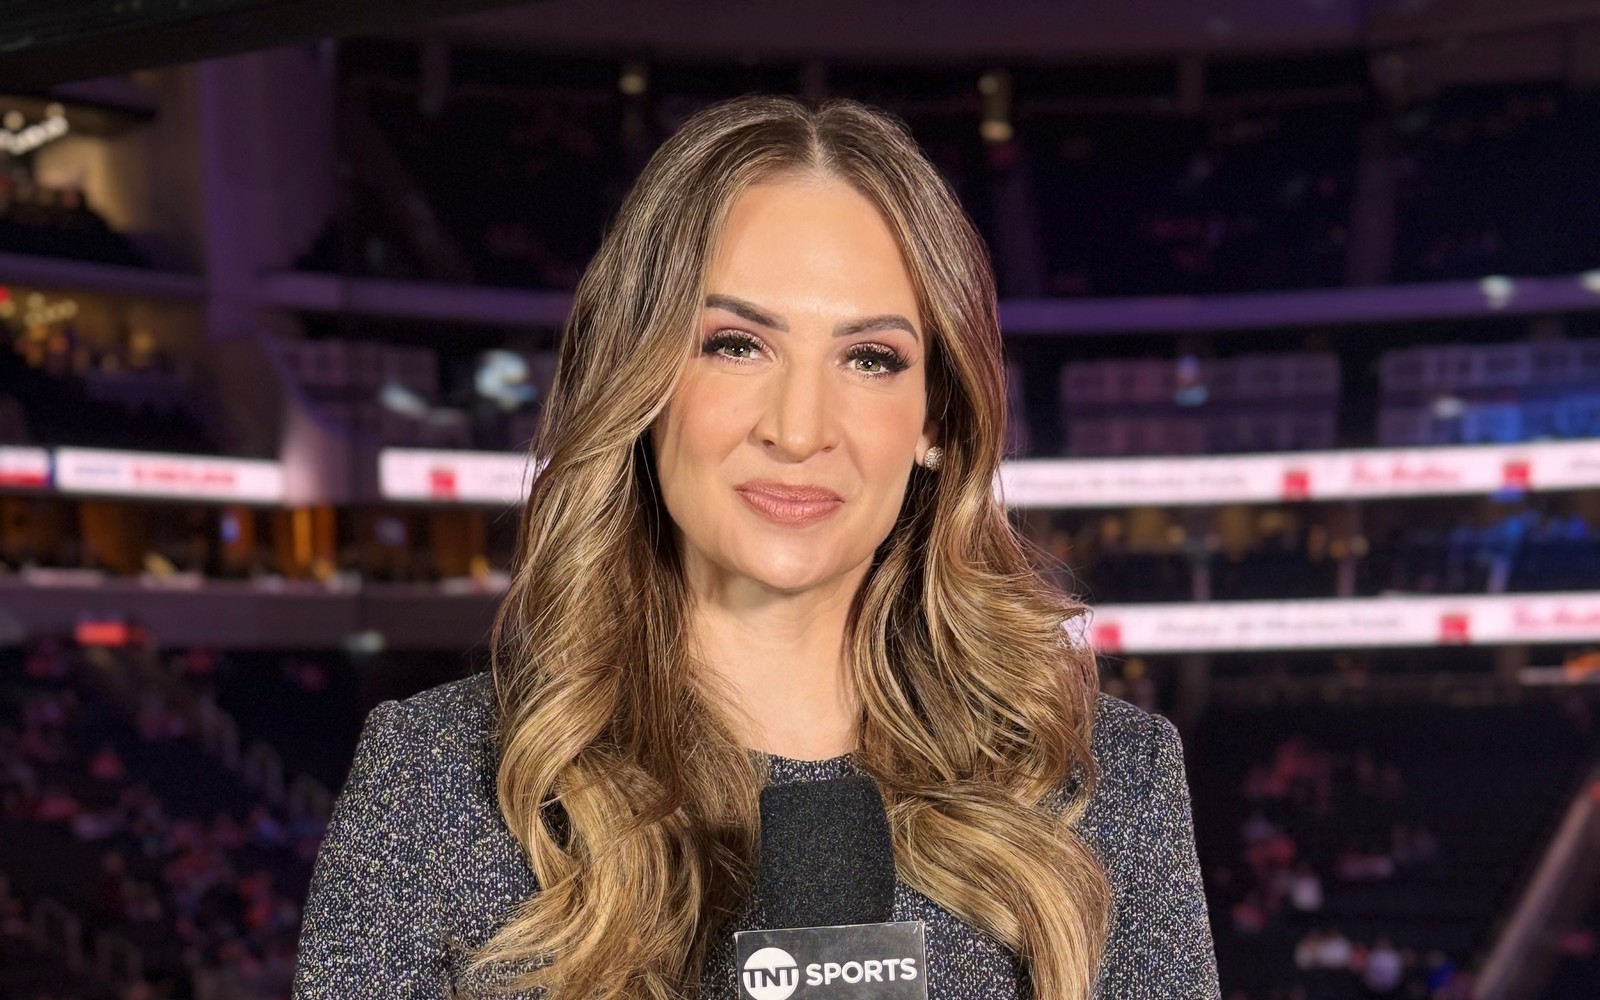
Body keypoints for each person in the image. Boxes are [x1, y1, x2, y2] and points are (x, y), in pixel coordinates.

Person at [290, 94, 1218, 1000]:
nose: (799, 428)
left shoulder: (1108, 785)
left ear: (936, 417)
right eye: (737, 344)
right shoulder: (436, 779)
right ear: (643, 377)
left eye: (870, 358)